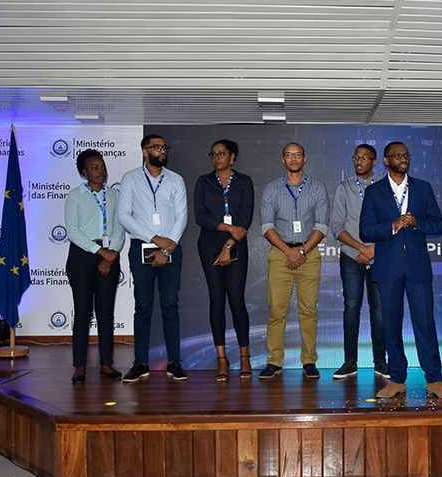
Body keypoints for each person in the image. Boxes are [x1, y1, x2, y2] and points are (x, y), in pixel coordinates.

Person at [359, 142, 442, 400]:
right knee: (391, 325)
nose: (403, 159)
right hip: (388, 267)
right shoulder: (374, 192)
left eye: (406, 155)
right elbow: (365, 230)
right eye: (398, 155)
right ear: (386, 161)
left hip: (417, 267)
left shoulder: (423, 188)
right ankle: (397, 379)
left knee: (425, 323)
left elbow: (438, 225)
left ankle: (434, 380)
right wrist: (391, 225)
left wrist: (415, 222)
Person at [118, 134, 188, 382]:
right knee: (143, 307)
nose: (162, 151)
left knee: (170, 306)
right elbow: (124, 216)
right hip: (142, 248)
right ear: (145, 152)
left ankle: (174, 361)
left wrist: (166, 249)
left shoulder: (176, 180)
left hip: (171, 248)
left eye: (164, 147)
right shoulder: (131, 179)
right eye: (156, 147)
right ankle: (141, 363)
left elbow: (181, 217)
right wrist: (154, 239)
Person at [258, 143, 330, 380]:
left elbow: (322, 225)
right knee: (277, 311)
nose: (293, 159)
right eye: (289, 155)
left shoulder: (317, 187)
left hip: (309, 254)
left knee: (309, 311)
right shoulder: (272, 189)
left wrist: (301, 251)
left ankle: (309, 360)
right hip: (281, 254)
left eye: (298, 155)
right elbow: (266, 226)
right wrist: (289, 252)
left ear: (304, 159)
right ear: (283, 160)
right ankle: (274, 361)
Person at [194, 140, 254, 381]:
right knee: (216, 300)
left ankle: (245, 357)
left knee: (237, 301)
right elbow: (200, 216)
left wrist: (228, 245)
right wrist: (228, 228)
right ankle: (222, 360)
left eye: (222, 154)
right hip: (209, 244)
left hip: (236, 244)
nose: (217, 158)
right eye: (213, 154)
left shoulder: (244, 181)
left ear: (232, 157)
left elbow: (246, 217)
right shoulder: (203, 182)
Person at [65, 149, 125, 383]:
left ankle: (106, 364)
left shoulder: (115, 195)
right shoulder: (75, 196)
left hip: (109, 256)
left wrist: (110, 256)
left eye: (102, 167)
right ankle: (79, 367)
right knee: (82, 312)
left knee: (105, 312)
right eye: (95, 168)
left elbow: (119, 228)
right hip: (82, 256)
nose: (101, 171)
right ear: (84, 172)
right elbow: (73, 232)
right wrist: (100, 252)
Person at [331, 144, 388, 380]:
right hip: (352, 256)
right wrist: (362, 248)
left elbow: (393, 223)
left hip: (380, 255)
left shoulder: (385, 186)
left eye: (364, 158)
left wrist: (374, 249)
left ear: (375, 162)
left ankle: (381, 362)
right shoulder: (344, 188)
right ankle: (350, 362)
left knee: (380, 310)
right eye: (356, 157)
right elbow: (337, 227)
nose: (359, 161)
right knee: (351, 307)